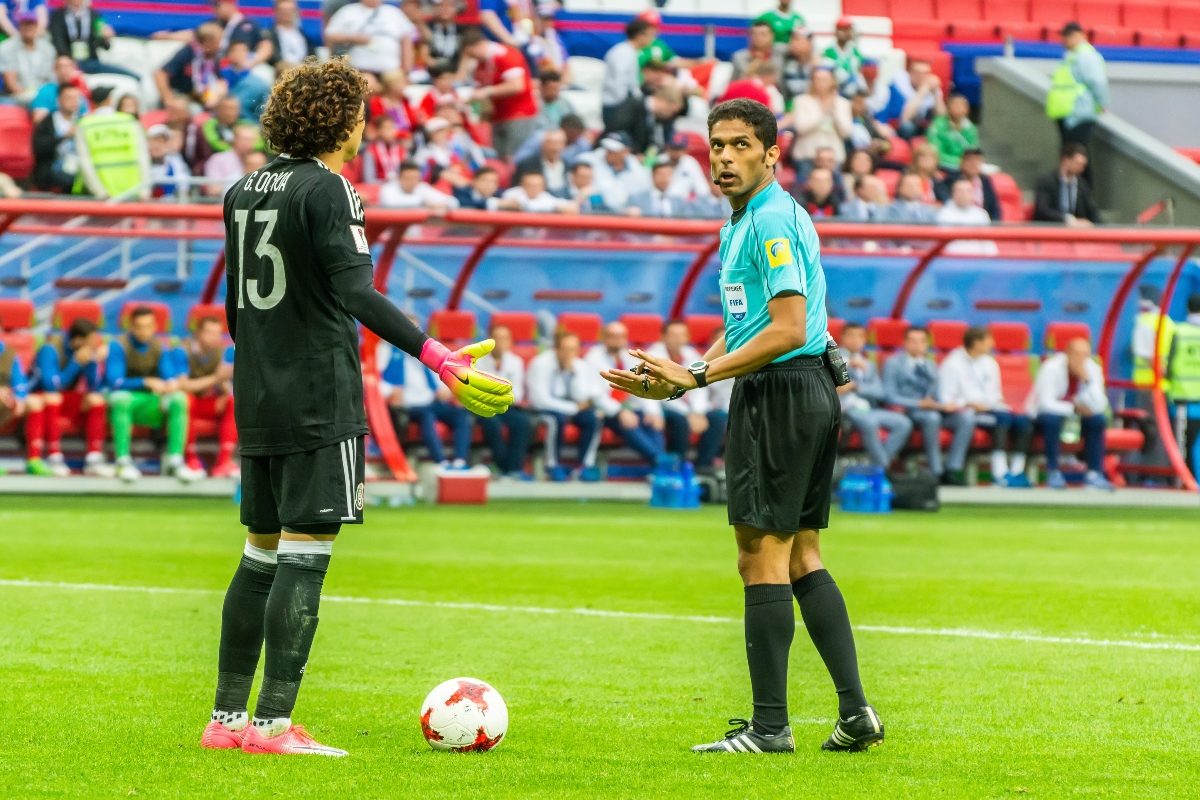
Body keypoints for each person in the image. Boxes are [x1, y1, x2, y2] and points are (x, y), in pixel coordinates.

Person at [202, 56, 512, 758]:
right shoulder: (330, 189)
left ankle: (225, 724)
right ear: (339, 121)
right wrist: (439, 356)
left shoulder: (243, 189)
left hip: (258, 393)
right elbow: (356, 292)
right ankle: (275, 727)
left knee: (258, 554)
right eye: (362, 117)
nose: (366, 130)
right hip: (317, 395)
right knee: (305, 557)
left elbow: (234, 310)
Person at [602, 99, 882, 755]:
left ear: (771, 153)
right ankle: (853, 713)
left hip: (781, 393)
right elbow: (754, 325)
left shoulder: (771, 221)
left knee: (759, 558)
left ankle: (769, 727)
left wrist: (696, 376)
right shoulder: (743, 224)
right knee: (803, 555)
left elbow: (785, 328)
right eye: (716, 146)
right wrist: (679, 378)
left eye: (738, 145)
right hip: (798, 387)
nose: (724, 157)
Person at [104, 306, 199, 483]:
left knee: (179, 399)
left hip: (151, 402)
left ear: (155, 326)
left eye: (148, 326)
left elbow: (168, 375)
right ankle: (122, 461)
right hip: (128, 400)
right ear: (131, 326)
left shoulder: (160, 346)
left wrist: (170, 384)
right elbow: (115, 382)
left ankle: (175, 460)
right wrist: (145, 382)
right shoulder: (118, 345)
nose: (143, 331)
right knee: (121, 399)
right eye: (139, 326)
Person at [938, 326, 1033, 487]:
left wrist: (997, 401)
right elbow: (946, 398)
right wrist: (969, 403)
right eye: (989, 340)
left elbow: (994, 392)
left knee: (1024, 422)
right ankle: (999, 473)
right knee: (1001, 419)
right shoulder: (952, 364)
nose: (993, 344)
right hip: (968, 411)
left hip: (992, 408)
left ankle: (1017, 471)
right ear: (976, 342)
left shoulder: (989, 363)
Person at [883, 325, 975, 485]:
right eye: (912, 341)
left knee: (966, 418)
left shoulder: (930, 365)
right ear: (904, 343)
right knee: (932, 418)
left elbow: (938, 393)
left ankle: (952, 468)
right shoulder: (893, 363)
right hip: (909, 410)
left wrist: (947, 404)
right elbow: (890, 396)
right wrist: (919, 403)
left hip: (933, 408)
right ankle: (936, 470)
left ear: (927, 344)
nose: (917, 345)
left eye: (921, 341)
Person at [26, 316, 114, 477]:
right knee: (54, 397)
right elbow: (51, 385)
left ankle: (94, 459)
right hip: (39, 397)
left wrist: (93, 362)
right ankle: (54, 457)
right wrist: (76, 363)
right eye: (91, 341)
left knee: (96, 400)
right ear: (78, 341)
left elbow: (95, 386)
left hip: (65, 399)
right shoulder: (50, 349)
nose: (94, 345)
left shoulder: (84, 353)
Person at [1027, 337, 1112, 490]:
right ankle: (1053, 472)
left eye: (1085, 355)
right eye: (1077, 355)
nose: (1081, 359)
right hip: (1043, 417)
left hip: (1075, 419)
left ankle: (1094, 474)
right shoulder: (1051, 367)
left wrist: (1087, 381)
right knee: (1053, 420)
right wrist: (1073, 408)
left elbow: (1099, 405)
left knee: (1097, 420)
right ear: (1067, 353)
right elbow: (1045, 403)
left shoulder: (1092, 369)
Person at [579, 321, 666, 470]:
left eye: (621, 336)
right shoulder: (593, 358)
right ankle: (661, 462)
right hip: (605, 411)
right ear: (604, 337)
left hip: (628, 407)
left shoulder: (630, 358)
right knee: (628, 422)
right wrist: (620, 412)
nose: (617, 340)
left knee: (652, 421)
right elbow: (595, 394)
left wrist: (653, 412)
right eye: (612, 336)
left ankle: (661, 463)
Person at [646, 319, 728, 468]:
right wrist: (688, 413)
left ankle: (704, 465)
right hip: (664, 406)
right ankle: (678, 465)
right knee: (680, 421)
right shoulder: (653, 357)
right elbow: (661, 391)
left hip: (689, 407)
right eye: (673, 335)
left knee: (716, 419)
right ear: (663, 337)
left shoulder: (692, 355)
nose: (678, 339)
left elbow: (700, 385)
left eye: (682, 335)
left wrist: (698, 412)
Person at [381, 343, 475, 469]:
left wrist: (445, 391)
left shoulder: (427, 359)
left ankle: (459, 461)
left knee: (461, 414)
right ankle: (441, 462)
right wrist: (390, 391)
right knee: (427, 415)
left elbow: (440, 382)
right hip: (410, 405)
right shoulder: (390, 354)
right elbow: (375, 379)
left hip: (432, 401)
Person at [528, 330, 603, 481]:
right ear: (556, 349)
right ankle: (552, 465)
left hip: (569, 406)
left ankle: (583, 466)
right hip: (542, 410)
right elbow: (540, 400)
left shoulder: (580, 365)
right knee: (556, 420)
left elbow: (581, 397)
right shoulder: (541, 363)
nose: (569, 353)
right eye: (565, 349)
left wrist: (572, 374)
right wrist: (573, 408)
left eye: (574, 349)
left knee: (593, 418)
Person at [836, 323, 912, 468]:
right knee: (870, 423)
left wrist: (856, 387)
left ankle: (879, 466)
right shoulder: (832, 359)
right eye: (851, 335)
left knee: (904, 423)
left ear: (865, 340)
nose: (855, 340)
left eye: (860, 336)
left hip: (868, 407)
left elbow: (880, 392)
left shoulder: (868, 363)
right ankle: (883, 469)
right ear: (842, 338)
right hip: (845, 408)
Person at [461, 26, 539, 160]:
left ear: (480, 45)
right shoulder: (481, 65)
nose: (472, 58)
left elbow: (517, 85)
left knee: (514, 158)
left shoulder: (506, 55)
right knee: (499, 158)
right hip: (497, 117)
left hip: (518, 114)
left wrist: (487, 92)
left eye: (472, 53)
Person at [1047, 21, 1108, 183]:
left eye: (1065, 37)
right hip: (1069, 113)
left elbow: (1097, 81)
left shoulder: (1086, 56)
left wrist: (1102, 102)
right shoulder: (1072, 56)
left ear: (1076, 36)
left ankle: (1083, 197)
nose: (1062, 41)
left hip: (1079, 112)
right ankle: (1077, 195)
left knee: (1077, 158)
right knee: (1072, 157)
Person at [474, 323, 532, 480]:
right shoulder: (477, 361)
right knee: (492, 424)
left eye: (504, 338)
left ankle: (514, 469)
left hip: (507, 406)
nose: (500, 342)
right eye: (496, 338)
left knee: (523, 422)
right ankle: (502, 467)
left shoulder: (516, 362)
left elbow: (517, 394)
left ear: (510, 342)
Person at [74, 84, 150, 200]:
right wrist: (145, 190)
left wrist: (100, 192)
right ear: (109, 99)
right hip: (134, 192)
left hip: (102, 197)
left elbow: (85, 163)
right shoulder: (130, 121)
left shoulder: (84, 125)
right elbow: (143, 157)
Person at [323, 0, 414, 76]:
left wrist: (407, 71)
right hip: (358, 70)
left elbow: (406, 41)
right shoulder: (348, 11)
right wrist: (354, 38)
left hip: (391, 71)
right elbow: (330, 35)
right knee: (367, 82)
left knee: (398, 83)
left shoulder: (393, 12)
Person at [47, 0, 135, 77]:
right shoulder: (57, 15)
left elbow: (105, 46)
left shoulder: (94, 14)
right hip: (70, 62)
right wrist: (69, 60)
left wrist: (106, 38)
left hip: (92, 61)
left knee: (128, 75)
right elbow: (58, 42)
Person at [791, 68, 852, 170]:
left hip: (834, 156)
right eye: (817, 79)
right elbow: (800, 128)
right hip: (807, 154)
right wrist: (822, 113)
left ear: (832, 81)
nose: (820, 83)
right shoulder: (802, 100)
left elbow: (846, 132)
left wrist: (834, 114)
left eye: (824, 79)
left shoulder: (842, 103)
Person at [602, 83, 684, 156]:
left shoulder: (655, 118)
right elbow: (617, 133)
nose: (671, 115)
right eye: (672, 111)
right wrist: (632, 154)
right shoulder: (632, 106)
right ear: (664, 101)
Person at [601, 17, 655, 129]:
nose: (652, 39)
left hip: (624, 104)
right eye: (650, 35)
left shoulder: (631, 52)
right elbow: (618, 80)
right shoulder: (622, 53)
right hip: (616, 105)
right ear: (640, 36)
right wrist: (625, 106)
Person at [1166, 293, 1200, 471]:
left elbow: (1169, 364)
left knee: (1182, 443)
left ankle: (1182, 480)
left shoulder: (1179, 332)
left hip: (1183, 398)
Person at [872, 58, 944, 140]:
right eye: (918, 74)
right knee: (907, 127)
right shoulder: (899, 86)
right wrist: (922, 90)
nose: (922, 77)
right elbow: (905, 119)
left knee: (937, 128)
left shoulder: (931, 87)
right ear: (910, 73)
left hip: (922, 126)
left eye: (925, 74)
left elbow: (942, 118)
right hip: (897, 126)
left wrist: (935, 94)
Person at [31, 81, 83, 192]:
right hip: (53, 168)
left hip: (79, 166)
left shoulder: (83, 121)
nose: (74, 102)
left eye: (77, 98)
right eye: (69, 98)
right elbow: (39, 147)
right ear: (59, 100)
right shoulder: (48, 121)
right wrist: (64, 136)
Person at [1033, 142, 1101, 226]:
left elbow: (1092, 211)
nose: (1081, 169)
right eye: (1078, 164)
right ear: (1066, 160)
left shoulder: (1081, 185)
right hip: (1051, 230)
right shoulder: (1047, 182)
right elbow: (1042, 210)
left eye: (1083, 166)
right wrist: (1067, 219)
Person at [580, 132, 651, 211]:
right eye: (607, 147)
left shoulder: (637, 169)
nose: (608, 151)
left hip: (626, 216)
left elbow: (642, 195)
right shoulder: (591, 160)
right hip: (597, 212)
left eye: (613, 149)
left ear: (626, 151)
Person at [0, 336, 40, 473]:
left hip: (4, 401)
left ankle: (34, 460)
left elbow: (20, 382)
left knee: (34, 403)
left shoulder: (8, 353)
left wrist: (19, 398)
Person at [0, 12, 55, 105]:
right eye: (25, 24)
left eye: (32, 24)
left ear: (37, 26)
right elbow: (10, 82)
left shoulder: (47, 48)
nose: (29, 27)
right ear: (19, 26)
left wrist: (43, 96)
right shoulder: (7, 47)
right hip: (17, 96)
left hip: (43, 95)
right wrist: (27, 96)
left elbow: (51, 77)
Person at [936, 178, 997, 255]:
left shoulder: (981, 213)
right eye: (960, 191)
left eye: (968, 191)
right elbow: (942, 243)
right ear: (953, 194)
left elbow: (987, 242)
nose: (964, 194)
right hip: (951, 258)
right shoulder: (944, 214)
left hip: (978, 259)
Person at [934, 147, 998, 221]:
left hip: (981, 222)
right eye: (969, 160)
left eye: (977, 160)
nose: (973, 164)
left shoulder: (985, 181)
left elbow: (994, 208)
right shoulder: (951, 180)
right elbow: (944, 201)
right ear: (962, 162)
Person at [626, 157, 695, 218]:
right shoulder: (636, 199)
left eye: (668, 175)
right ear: (653, 176)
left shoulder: (679, 201)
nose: (665, 179)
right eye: (661, 174)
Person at [925, 93, 978, 173]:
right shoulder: (938, 125)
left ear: (967, 109)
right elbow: (936, 153)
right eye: (956, 105)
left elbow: (973, 151)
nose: (959, 108)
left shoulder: (971, 128)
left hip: (964, 167)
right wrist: (961, 163)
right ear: (948, 108)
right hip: (943, 166)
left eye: (963, 105)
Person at [28, 54, 89, 123]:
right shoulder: (45, 91)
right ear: (54, 69)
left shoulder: (78, 91)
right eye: (61, 66)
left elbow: (86, 117)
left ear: (74, 67)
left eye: (68, 66)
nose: (65, 70)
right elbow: (39, 120)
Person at [204, 123, 260, 196]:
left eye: (251, 140)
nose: (248, 143)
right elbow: (213, 189)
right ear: (234, 139)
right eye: (244, 139)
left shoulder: (258, 160)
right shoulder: (218, 159)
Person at [379, 160, 460, 210]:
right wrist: (422, 202)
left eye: (415, 178)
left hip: (415, 236)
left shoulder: (421, 188)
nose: (412, 181)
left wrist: (443, 205)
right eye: (408, 178)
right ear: (399, 177)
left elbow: (454, 202)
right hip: (387, 235)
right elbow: (390, 202)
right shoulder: (389, 188)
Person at [515, 127, 569, 199]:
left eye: (559, 143)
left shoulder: (567, 164)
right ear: (543, 144)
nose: (555, 148)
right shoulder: (528, 164)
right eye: (551, 143)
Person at [821, 17, 867, 98]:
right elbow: (829, 73)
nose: (847, 33)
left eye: (849, 29)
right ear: (836, 31)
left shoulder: (855, 52)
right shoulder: (828, 52)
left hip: (853, 92)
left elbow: (859, 71)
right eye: (843, 29)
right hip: (835, 91)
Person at [495, 169, 576, 213]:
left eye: (537, 186)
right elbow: (525, 206)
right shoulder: (512, 193)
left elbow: (569, 206)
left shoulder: (544, 196)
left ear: (543, 187)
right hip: (510, 239)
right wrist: (554, 207)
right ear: (522, 185)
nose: (534, 189)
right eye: (530, 185)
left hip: (537, 240)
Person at [266, 0, 315, 72]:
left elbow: (313, 56)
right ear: (275, 11)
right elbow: (272, 58)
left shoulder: (303, 36)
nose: (287, 13)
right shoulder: (269, 35)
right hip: (281, 70)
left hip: (304, 70)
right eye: (284, 10)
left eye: (290, 10)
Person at [663, 131, 708, 202]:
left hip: (684, 206)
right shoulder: (659, 161)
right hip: (662, 204)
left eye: (679, 149)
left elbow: (703, 190)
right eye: (674, 148)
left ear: (686, 150)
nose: (676, 152)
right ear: (667, 148)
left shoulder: (690, 163)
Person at [532, 68, 575, 134]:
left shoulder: (565, 103)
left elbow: (574, 121)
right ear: (541, 87)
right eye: (551, 88)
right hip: (542, 136)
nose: (555, 92)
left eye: (557, 88)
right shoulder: (533, 103)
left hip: (565, 136)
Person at [780, 26, 813, 108]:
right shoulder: (785, 63)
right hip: (789, 108)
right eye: (791, 39)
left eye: (797, 39)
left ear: (809, 43)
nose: (792, 43)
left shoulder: (820, 65)